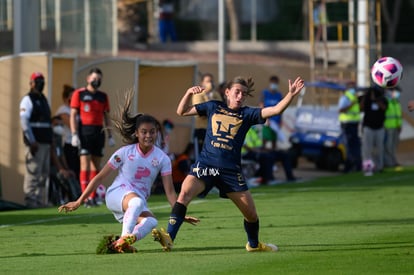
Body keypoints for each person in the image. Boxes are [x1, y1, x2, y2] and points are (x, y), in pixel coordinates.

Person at [151, 75, 305, 252]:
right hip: (205, 166)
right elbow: (182, 111)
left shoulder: (247, 114)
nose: (240, 97)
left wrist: (291, 95)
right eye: (237, 92)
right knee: (184, 194)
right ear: (227, 92)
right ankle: (169, 238)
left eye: (244, 94)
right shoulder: (213, 106)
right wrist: (188, 93)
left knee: (251, 215)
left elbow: (276, 110)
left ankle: (254, 245)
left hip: (230, 172)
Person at [58, 92, 199, 253]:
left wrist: (178, 213)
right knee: (137, 202)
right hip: (116, 195)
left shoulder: (162, 158)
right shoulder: (124, 152)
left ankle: (121, 242)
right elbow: (100, 177)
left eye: (152, 132)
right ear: (136, 134)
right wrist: (79, 201)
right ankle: (124, 239)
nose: (148, 136)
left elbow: (170, 191)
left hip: (133, 205)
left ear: (157, 133)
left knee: (151, 221)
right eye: (144, 132)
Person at [70, 68, 116, 207]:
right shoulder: (79, 94)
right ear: (88, 78)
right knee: (85, 165)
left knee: (96, 166)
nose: (97, 81)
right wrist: (74, 134)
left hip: (98, 132)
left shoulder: (103, 96)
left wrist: (110, 135)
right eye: (94, 78)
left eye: (99, 79)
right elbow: (73, 114)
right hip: (84, 132)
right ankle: (84, 198)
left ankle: (93, 196)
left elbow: (106, 117)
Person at [19, 72, 53, 208]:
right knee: (33, 174)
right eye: (38, 80)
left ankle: (39, 202)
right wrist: (31, 140)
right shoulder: (28, 99)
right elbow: (24, 121)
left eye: (42, 80)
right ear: (31, 83)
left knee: (43, 175)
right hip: (35, 144)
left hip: (45, 143)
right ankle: (30, 203)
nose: (41, 83)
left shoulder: (43, 99)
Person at [192, 73, 223, 159]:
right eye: (208, 81)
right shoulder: (198, 94)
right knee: (200, 157)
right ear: (202, 83)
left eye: (211, 81)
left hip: (214, 131)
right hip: (201, 130)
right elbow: (200, 111)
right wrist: (207, 95)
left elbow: (221, 108)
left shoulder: (215, 94)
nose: (210, 83)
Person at [361, 86, 388, 175]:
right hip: (368, 127)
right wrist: (367, 96)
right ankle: (368, 168)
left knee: (379, 149)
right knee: (367, 150)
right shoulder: (367, 101)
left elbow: (384, 108)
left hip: (379, 128)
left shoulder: (382, 100)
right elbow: (361, 107)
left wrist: (376, 99)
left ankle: (379, 167)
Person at [55, 84, 80, 179]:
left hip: (77, 145)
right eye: (72, 96)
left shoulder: (75, 110)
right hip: (68, 144)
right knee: (72, 171)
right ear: (66, 98)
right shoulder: (63, 110)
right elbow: (72, 125)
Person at [338, 83, 362, 173]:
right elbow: (340, 110)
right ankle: (348, 166)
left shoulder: (354, 98)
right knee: (348, 146)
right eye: (352, 88)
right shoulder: (345, 98)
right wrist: (351, 105)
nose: (354, 90)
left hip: (354, 124)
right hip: (347, 125)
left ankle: (356, 165)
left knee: (355, 146)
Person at [259, 75, 286, 148]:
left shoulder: (279, 95)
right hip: (267, 121)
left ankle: (273, 156)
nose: (274, 85)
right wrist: (265, 119)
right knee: (264, 141)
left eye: (276, 83)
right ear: (270, 83)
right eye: (273, 83)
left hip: (276, 122)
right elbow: (261, 106)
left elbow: (281, 108)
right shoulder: (264, 93)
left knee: (274, 142)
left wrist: (281, 121)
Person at [383, 87, 403, 168]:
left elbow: (398, 116)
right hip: (388, 127)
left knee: (393, 146)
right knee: (388, 146)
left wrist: (399, 125)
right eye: (396, 92)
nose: (398, 94)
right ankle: (389, 162)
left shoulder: (396, 102)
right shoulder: (386, 101)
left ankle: (393, 161)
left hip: (396, 127)